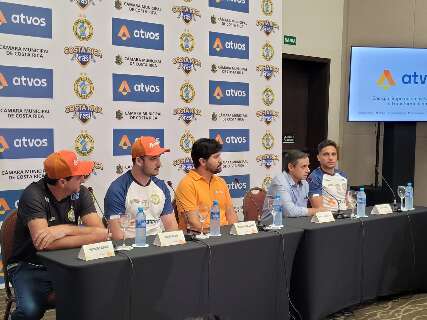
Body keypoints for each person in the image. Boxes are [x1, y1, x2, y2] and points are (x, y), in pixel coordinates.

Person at [8, 150, 108, 320]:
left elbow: (101, 233)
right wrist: (87, 234)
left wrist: (66, 229)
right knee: (29, 311)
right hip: (30, 265)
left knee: (98, 296)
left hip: (67, 264)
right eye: (79, 176)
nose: (83, 179)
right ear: (62, 181)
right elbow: (44, 244)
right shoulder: (33, 195)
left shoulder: (81, 192)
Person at [104, 136, 178, 240]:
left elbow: (171, 227)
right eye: (153, 159)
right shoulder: (117, 189)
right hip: (131, 250)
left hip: (159, 246)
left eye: (159, 157)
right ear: (139, 161)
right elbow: (117, 236)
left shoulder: (161, 186)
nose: (159, 164)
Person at [175, 138, 238, 232]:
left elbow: (230, 213)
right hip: (201, 238)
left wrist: (235, 233)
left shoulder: (221, 182)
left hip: (224, 236)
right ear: (203, 161)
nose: (220, 160)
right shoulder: (187, 184)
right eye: (216, 157)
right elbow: (193, 222)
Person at [261, 149, 326, 224]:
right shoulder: (279, 182)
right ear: (291, 167)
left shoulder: (305, 183)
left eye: (308, 166)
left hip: (295, 224)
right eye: (304, 166)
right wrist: (317, 210)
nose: (308, 170)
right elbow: (289, 211)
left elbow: (300, 211)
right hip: (272, 227)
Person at [308, 139, 348, 211]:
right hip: (327, 218)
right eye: (326, 154)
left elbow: (347, 200)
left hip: (345, 215)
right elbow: (318, 208)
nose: (330, 158)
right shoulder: (314, 177)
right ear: (318, 157)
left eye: (333, 154)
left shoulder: (343, 175)